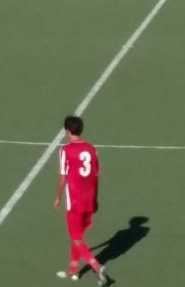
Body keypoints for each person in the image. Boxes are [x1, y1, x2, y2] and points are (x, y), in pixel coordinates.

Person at [53, 115, 110, 286]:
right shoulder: (92, 149)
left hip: (75, 200)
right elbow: (96, 176)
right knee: (76, 236)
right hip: (89, 198)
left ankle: (97, 268)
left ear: (67, 131)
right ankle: (72, 269)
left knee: (76, 238)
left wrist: (57, 197)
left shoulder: (65, 150)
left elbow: (62, 177)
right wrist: (96, 199)